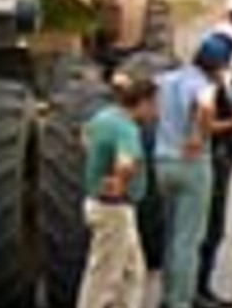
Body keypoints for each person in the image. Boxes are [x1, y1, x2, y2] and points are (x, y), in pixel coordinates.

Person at [155, 34, 232, 308]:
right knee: (188, 239)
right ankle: (180, 300)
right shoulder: (203, 84)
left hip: (163, 161)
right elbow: (206, 106)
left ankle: (166, 294)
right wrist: (199, 135)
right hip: (191, 164)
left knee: (170, 234)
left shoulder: (167, 79)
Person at [76, 74, 159, 308]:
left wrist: (97, 162)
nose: (156, 112)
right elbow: (126, 161)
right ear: (143, 103)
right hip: (114, 209)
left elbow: (84, 136)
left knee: (133, 272)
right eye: (155, 105)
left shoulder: (104, 117)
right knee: (104, 278)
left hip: (103, 206)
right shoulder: (126, 128)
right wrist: (120, 181)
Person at [197, 25, 232, 308]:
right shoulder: (207, 88)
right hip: (212, 162)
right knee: (209, 228)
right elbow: (206, 127)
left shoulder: (215, 83)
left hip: (218, 160)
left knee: (208, 229)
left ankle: (200, 288)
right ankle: (198, 289)